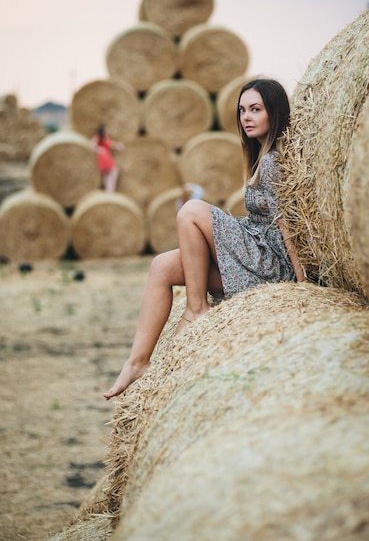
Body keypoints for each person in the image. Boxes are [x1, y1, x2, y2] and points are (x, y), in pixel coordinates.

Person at [104, 78, 305, 400]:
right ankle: (137, 361)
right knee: (161, 267)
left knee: (192, 210)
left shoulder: (273, 163)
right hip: (255, 254)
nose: (246, 117)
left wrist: (301, 284)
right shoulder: (259, 157)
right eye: (242, 110)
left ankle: (196, 309)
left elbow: (288, 225)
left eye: (256, 109)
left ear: (275, 113)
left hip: (270, 262)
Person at [91, 124, 124, 193]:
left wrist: (119, 146)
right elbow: (90, 144)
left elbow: (111, 144)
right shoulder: (98, 138)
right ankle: (110, 190)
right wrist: (99, 149)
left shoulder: (103, 138)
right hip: (105, 157)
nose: (107, 131)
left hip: (103, 157)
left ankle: (108, 190)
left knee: (107, 175)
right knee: (114, 171)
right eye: (106, 130)